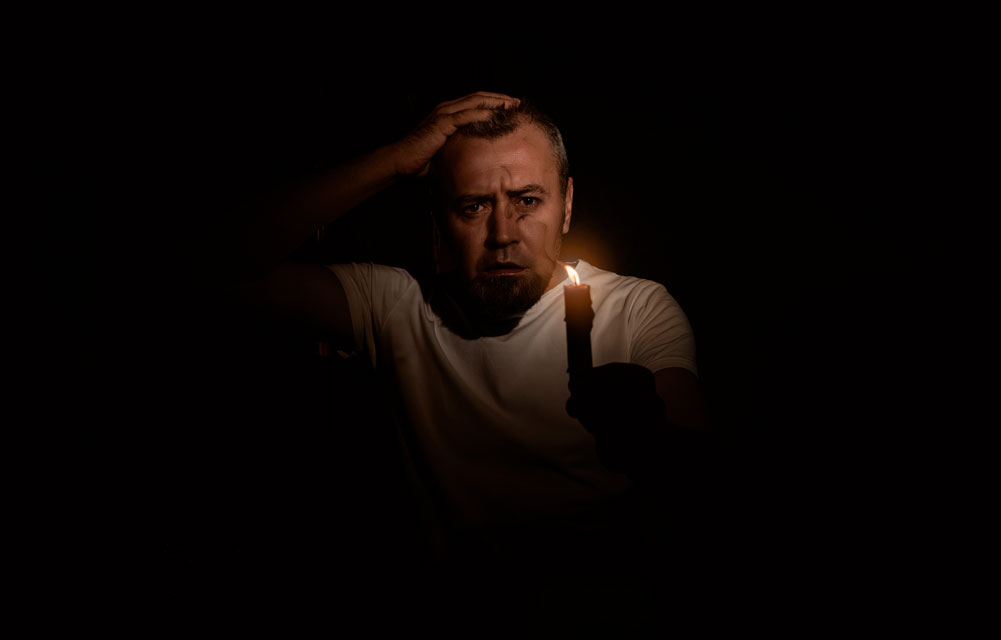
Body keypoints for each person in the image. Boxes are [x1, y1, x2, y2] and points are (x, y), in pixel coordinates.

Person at [238, 92, 716, 627]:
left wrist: (646, 439)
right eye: (473, 207)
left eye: (527, 200)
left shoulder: (637, 308)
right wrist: (394, 160)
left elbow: (699, 477)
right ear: (438, 219)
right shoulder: (394, 305)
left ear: (567, 205)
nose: (503, 234)